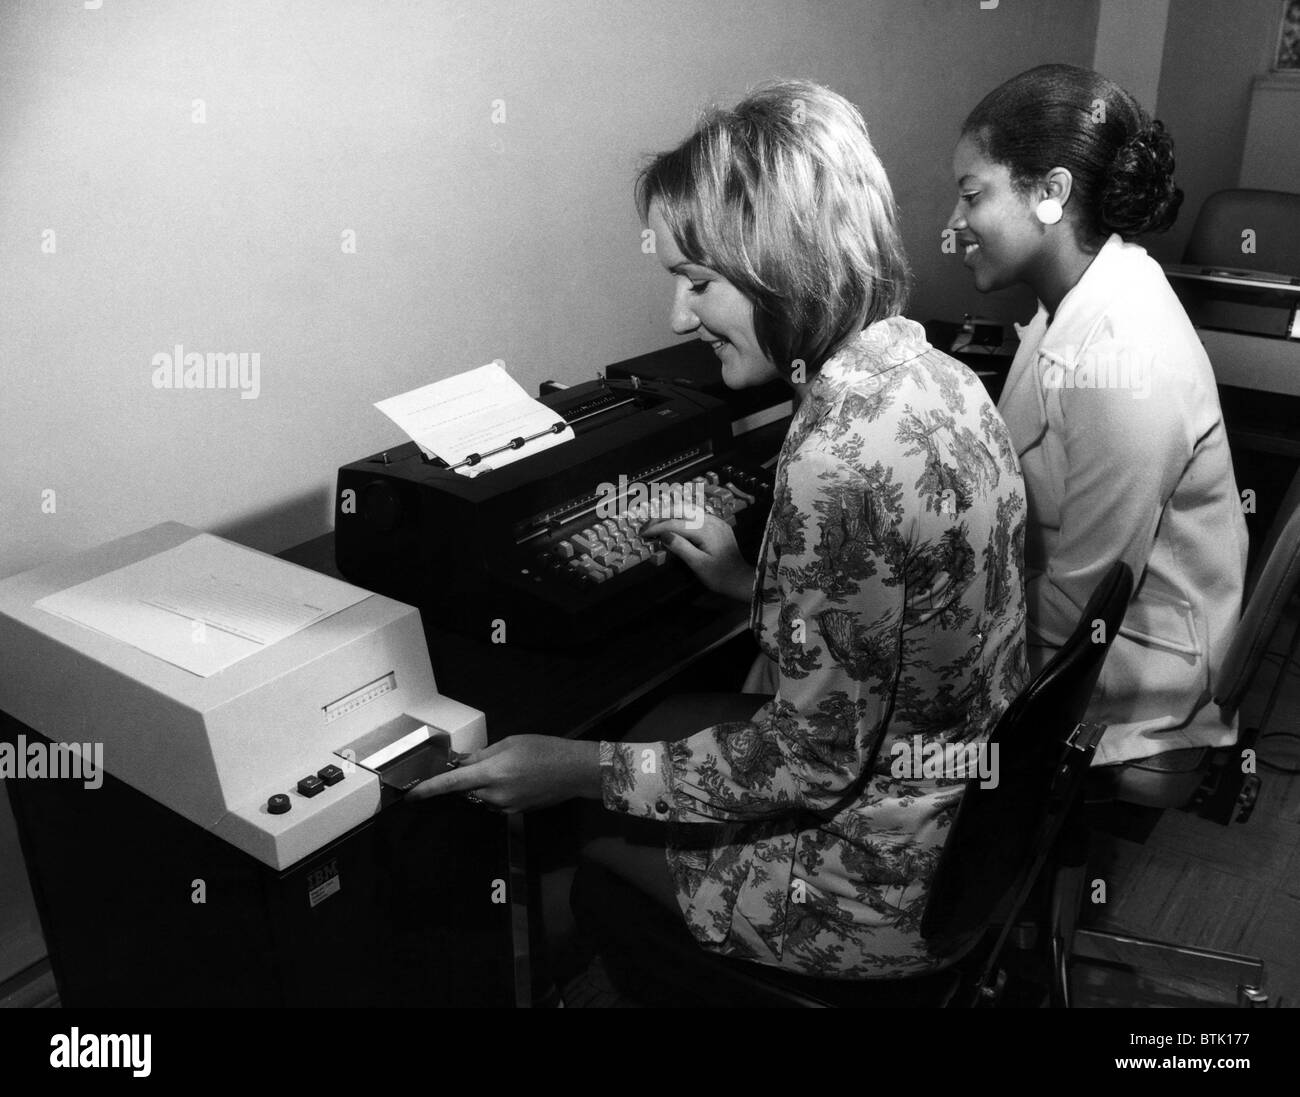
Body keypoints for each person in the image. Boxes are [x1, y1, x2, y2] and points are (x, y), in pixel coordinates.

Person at [413, 81, 1027, 979]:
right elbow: (895, 616)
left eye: (698, 282)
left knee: (581, 840)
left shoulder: (839, 460)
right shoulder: (940, 374)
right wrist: (754, 581)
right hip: (965, 813)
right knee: (665, 720)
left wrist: (576, 767)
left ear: (787, 261)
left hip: (869, 882)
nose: (677, 317)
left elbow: (811, 761)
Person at [948, 64, 1248, 767]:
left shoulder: (1129, 359)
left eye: (971, 195)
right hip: (1088, 620)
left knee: (879, 682)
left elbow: (1085, 612)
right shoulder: (1077, 297)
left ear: (1051, 193)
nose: (954, 225)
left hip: (1136, 658)